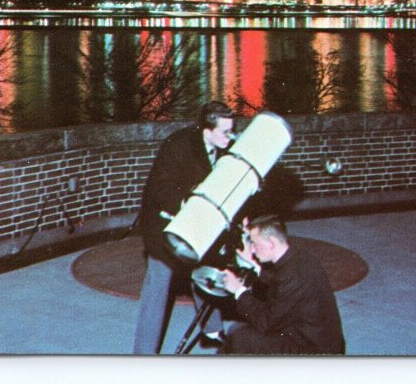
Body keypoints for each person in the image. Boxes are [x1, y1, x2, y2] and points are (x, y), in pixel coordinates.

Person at [133, 101, 235, 354]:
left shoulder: (222, 148)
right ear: (206, 130)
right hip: (163, 223)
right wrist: (188, 201)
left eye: (232, 131)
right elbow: (159, 189)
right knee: (159, 283)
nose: (230, 137)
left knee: (204, 268)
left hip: (196, 221)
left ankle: (212, 330)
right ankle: (143, 354)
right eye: (225, 132)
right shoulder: (178, 145)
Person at [220, 215, 346, 355]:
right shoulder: (300, 256)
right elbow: (278, 279)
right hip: (319, 338)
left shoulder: (292, 277)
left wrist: (238, 291)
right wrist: (254, 264)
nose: (253, 249)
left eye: (254, 243)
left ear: (272, 242)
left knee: (240, 339)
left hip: (312, 349)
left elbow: (265, 323)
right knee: (239, 331)